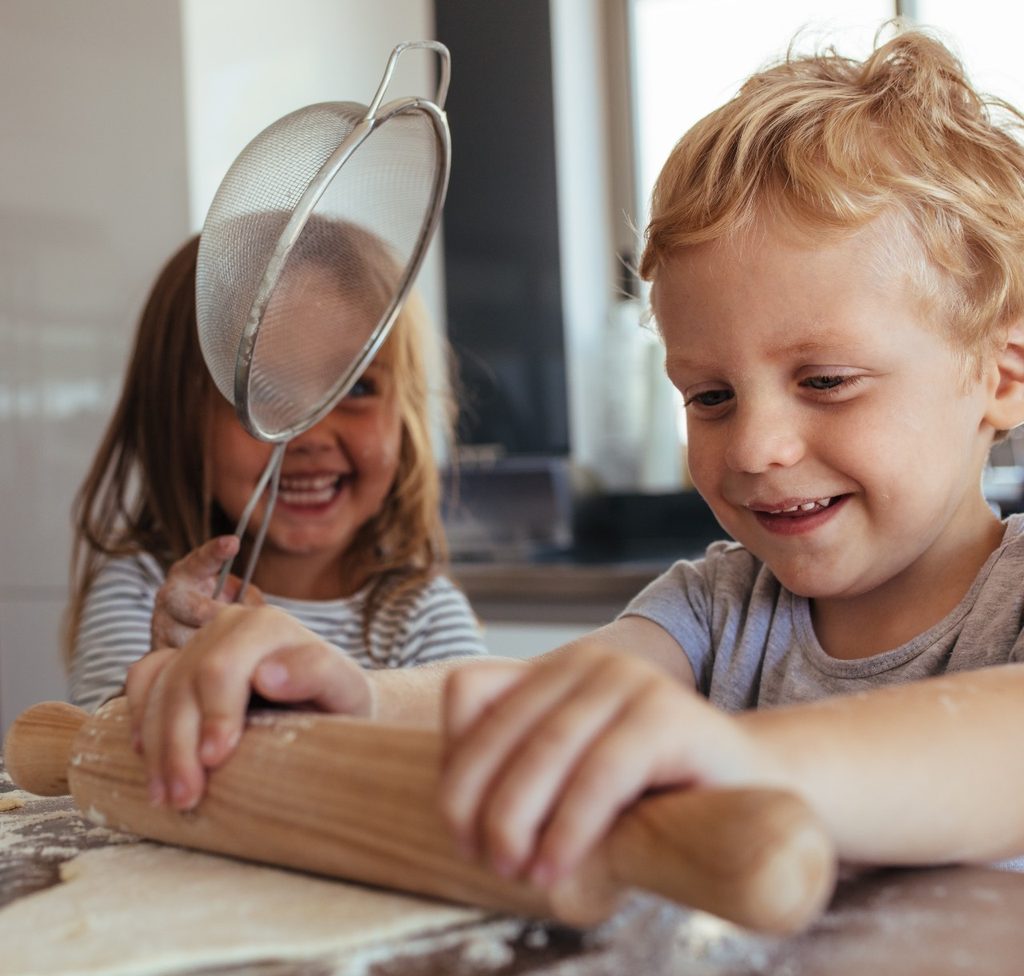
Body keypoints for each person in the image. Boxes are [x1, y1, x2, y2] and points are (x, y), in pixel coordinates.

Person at [122, 28, 1024, 886]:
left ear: (1001, 374)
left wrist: (745, 761)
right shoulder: (717, 612)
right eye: (709, 397)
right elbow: (542, 700)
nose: (754, 446)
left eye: (826, 380)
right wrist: (351, 695)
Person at [65, 221, 487, 725]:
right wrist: (168, 679)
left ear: (406, 413)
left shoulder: (420, 613)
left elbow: (478, 749)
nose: (309, 434)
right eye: (261, 390)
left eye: (354, 389)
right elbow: (101, 758)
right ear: (177, 420)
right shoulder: (148, 592)